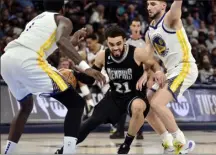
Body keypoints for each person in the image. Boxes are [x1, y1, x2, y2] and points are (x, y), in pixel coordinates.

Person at [1, 0, 105, 154]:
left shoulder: (36, 20)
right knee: (76, 103)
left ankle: (8, 152)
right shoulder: (63, 19)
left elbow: (56, 43)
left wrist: (73, 40)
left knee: (26, 106)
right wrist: (86, 68)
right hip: (29, 60)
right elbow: (61, 41)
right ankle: (69, 152)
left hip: (6, 60)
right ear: (63, 9)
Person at [55, 25, 164, 154]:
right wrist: (74, 74)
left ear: (124, 40)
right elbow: (90, 79)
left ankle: (126, 145)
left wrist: (157, 72)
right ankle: (64, 149)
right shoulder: (102, 56)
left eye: (118, 43)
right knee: (90, 122)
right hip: (114, 96)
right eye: (112, 44)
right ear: (107, 42)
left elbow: (154, 63)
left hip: (135, 95)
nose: (115, 47)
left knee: (138, 107)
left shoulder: (137, 53)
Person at [137, 0, 198, 154]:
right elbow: (148, 58)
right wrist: (147, 73)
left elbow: (178, 3)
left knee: (157, 103)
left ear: (163, 5)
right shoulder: (149, 32)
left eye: (153, 3)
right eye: (148, 4)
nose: (149, 7)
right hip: (170, 71)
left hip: (185, 66)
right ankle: (167, 142)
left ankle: (181, 143)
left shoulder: (171, 18)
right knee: (145, 106)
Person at [110, 18, 146, 140]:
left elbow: (149, 62)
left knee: (139, 106)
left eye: (138, 25)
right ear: (130, 27)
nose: (136, 27)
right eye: (134, 25)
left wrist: (146, 76)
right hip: (126, 78)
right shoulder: (126, 43)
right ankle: (120, 131)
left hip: (139, 79)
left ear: (140, 28)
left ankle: (139, 132)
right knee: (122, 106)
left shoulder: (145, 44)